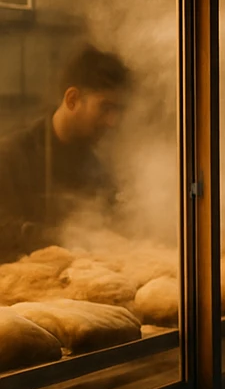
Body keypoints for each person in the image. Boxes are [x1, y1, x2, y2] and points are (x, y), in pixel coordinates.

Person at [0, 43, 130, 261]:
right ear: (72, 99)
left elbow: (111, 227)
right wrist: (68, 236)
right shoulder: (11, 156)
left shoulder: (98, 170)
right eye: (105, 107)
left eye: (118, 110)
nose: (112, 121)